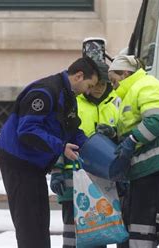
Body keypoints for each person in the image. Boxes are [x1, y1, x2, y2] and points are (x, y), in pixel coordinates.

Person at [0, 57, 101, 248]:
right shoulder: (46, 92)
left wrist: (93, 147)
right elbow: (27, 130)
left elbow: (72, 130)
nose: (89, 91)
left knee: (40, 221)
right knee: (29, 224)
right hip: (19, 163)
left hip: (34, 166)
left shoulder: (68, 96)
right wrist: (60, 147)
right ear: (79, 76)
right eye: (89, 85)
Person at [49, 61, 120, 248]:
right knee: (72, 230)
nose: (97, 89)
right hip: (71, 178)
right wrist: (56, 170)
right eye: (94, 85)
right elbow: (58, 135)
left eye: (102, 85)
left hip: (100, 181)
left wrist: (114, 134)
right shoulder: (74, 103)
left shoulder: (114, 106)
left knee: (98, 229)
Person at [108, 55, 159, 248]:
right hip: (142, 165)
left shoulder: (146, 86)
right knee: (134, 217)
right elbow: (135, 124)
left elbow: (157, 121)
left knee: (141, 221)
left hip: (152, 163)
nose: (113, 86)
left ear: (126, 73)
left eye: (114, 81)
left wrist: (132, 140)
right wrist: (114, 133)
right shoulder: (131, 91)